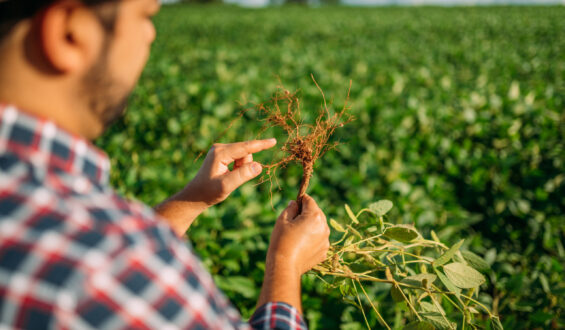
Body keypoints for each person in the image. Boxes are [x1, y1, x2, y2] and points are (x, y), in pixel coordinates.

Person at [0, 0, 330, 328]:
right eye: (145, 16)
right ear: (67, 33)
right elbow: (120, 262)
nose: (151, 33)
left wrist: (191, 201)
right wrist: (286, 264)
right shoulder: (101, 263)